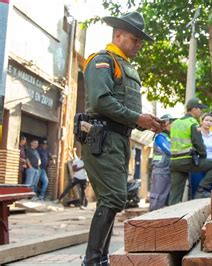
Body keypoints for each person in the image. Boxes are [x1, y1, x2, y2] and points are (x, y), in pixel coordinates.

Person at [81, 11, 162, 265]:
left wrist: (143, 120)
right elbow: (100, 100)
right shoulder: (102, 61)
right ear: (118, 34)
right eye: (134, 38)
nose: (138, 44)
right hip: (101, 137)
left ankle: (100, 259)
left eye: (140, 40)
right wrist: (138, 119)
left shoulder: (125, 65)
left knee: (112, 198)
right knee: (114, 197)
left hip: (118, 139)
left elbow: (123, 108)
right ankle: (93, 261)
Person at [169, 98, 212, 204]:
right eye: (200, 109)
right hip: (187, 160)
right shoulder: (192, 123)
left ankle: (170, 217)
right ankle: (200, 190)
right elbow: (198, 143)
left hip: (174, 162)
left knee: (175, 196)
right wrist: (203, 155)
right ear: (194, 109)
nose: (201, 112)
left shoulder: (175, 123)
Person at [149, 114, 173, 211]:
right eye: (171, 123)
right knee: (158, 197)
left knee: (164, 197)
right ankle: (152, 221)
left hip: (167, 169)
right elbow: (169, 150)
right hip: (160, 169)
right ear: (166, 123)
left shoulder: (168, 137)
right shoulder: (160, 137)